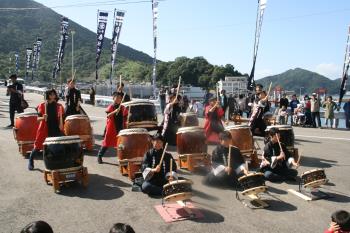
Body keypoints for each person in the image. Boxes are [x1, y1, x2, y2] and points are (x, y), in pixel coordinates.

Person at [28, 89, 64, 170]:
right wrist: (43, 117)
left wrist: (61, 125)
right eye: (51, 94)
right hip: (45, 127)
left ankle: (55, 163)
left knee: (56, 146)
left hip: (55, 128)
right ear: (47, 96)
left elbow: (61, 118)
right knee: (38, 146)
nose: (53, 96)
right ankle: (31, 160)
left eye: (54, 94)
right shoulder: (42, 105)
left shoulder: (59, 106)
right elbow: (38, 119)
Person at [97, 92, 128, 164]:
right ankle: (99, 156)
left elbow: (126, 116)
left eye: (119, 98)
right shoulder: (111, 107)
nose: (118, 99)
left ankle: (122, 159)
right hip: (112, 127)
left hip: (120, 128)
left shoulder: (123, 107)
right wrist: (114, 111)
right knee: (107, 142)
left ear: (121, 100)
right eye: (116, 97)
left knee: (121, 144)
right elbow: (108, 115)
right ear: (113, 98)